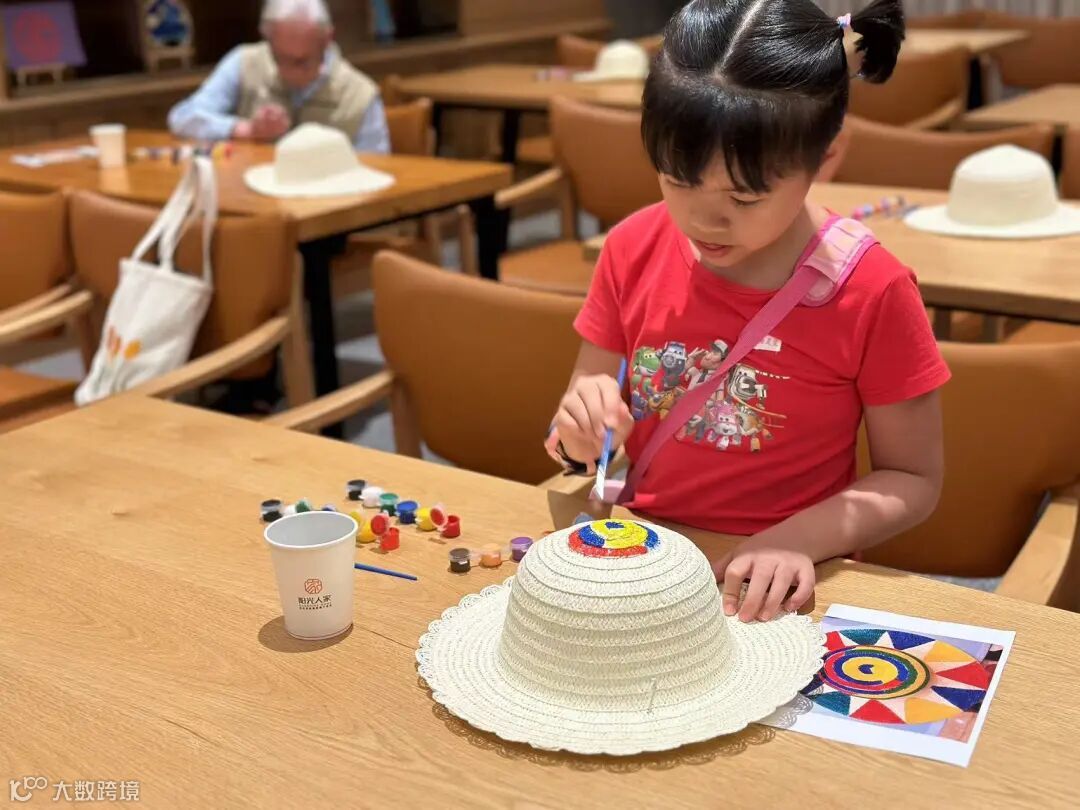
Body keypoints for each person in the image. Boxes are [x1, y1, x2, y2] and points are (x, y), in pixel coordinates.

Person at [548, 0, 949, 623]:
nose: (704, 221)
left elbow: (913, 479)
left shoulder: (871, 289)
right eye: (677, 180)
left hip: (782, 582)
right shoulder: (631, 247)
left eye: (744, 197)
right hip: (648, 559)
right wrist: (579, 432)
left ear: (828, 155)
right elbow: (582, 415)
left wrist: (796, 541)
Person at [168, 0, 389, 153]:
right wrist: (247, 130)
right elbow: (183, 117)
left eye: (301, 62)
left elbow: (378, 172)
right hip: (253, 199)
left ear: (326, 39)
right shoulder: (244, 62)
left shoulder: (360, 95)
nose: (287, 72)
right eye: (278, 58)